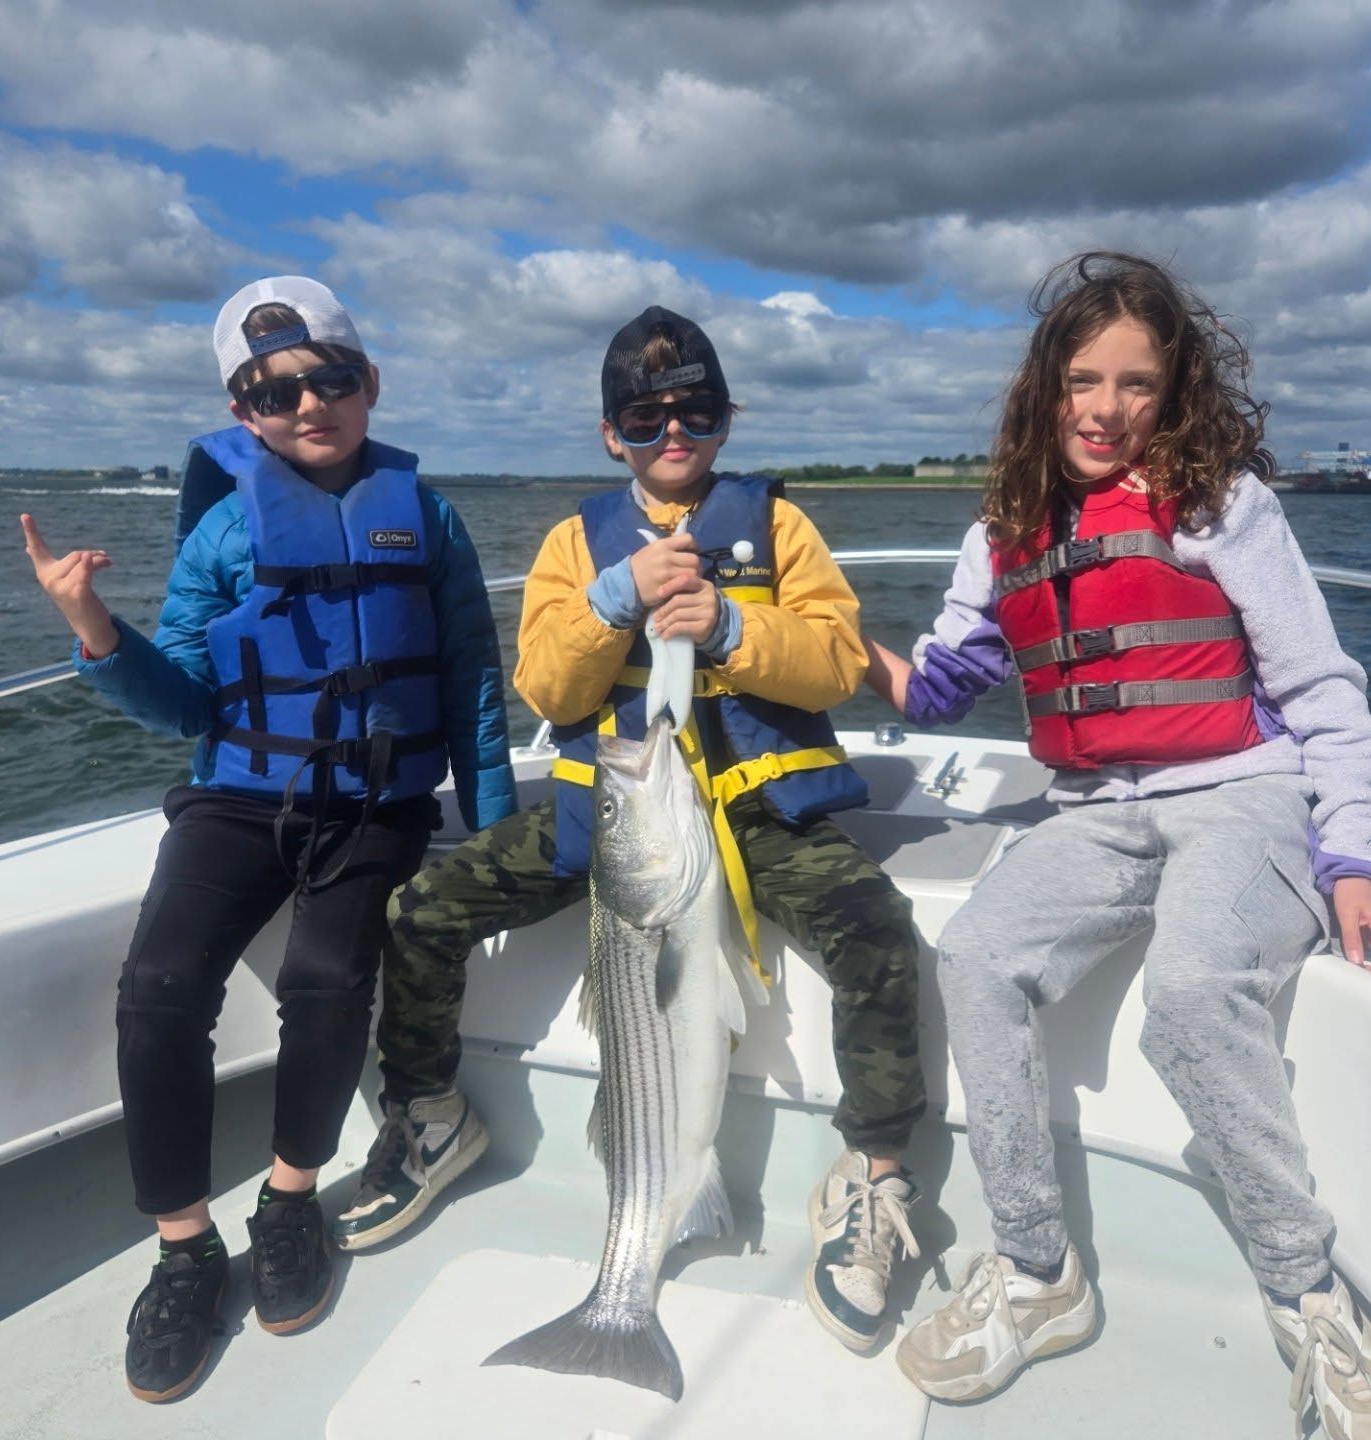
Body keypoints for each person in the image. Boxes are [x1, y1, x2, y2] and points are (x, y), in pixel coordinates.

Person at [868, 252, 1371, 1435]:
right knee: (975, 956)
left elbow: (1322, 690)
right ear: (1044, 388)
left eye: (1138, 385)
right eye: (1082, 380)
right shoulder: (1002, 530)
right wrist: (829, 643)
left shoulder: (1226, 507)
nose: (1106, 410)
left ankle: (1305, 1295)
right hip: (1091, 812)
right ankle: (1036, 1269)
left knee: (1193, 985)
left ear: (1176, 393)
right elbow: (944, 687)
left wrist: (1354, 865)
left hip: (1241, 797)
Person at [334, 304, 927, 1354]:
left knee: (875, 925)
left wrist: (737, 626)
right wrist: (613, 603)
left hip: (754, 803)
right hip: (621, 818)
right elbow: (544, 683)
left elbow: (839, 661)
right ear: (612, 433)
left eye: (693, 412)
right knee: (422, 909)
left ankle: (873, 1175)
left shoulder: (779, 527)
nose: (671, 436)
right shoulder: (574, 544)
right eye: (645, 419)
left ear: (725, 418)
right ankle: (429, 1114)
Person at [20, 276, 516, 1404]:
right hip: (238, 799)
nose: (305, 405)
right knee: (157, 984)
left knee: (330, 975)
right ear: (243, 414)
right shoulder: (225, 529)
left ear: (368, 385)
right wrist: (92, 625)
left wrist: (492, 833)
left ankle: (290, 1200)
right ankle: (184, 1250)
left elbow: (473, 678)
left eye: (328, 379)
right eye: (271, 392)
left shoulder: (426, 517)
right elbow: (186, 701)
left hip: (378, 802)